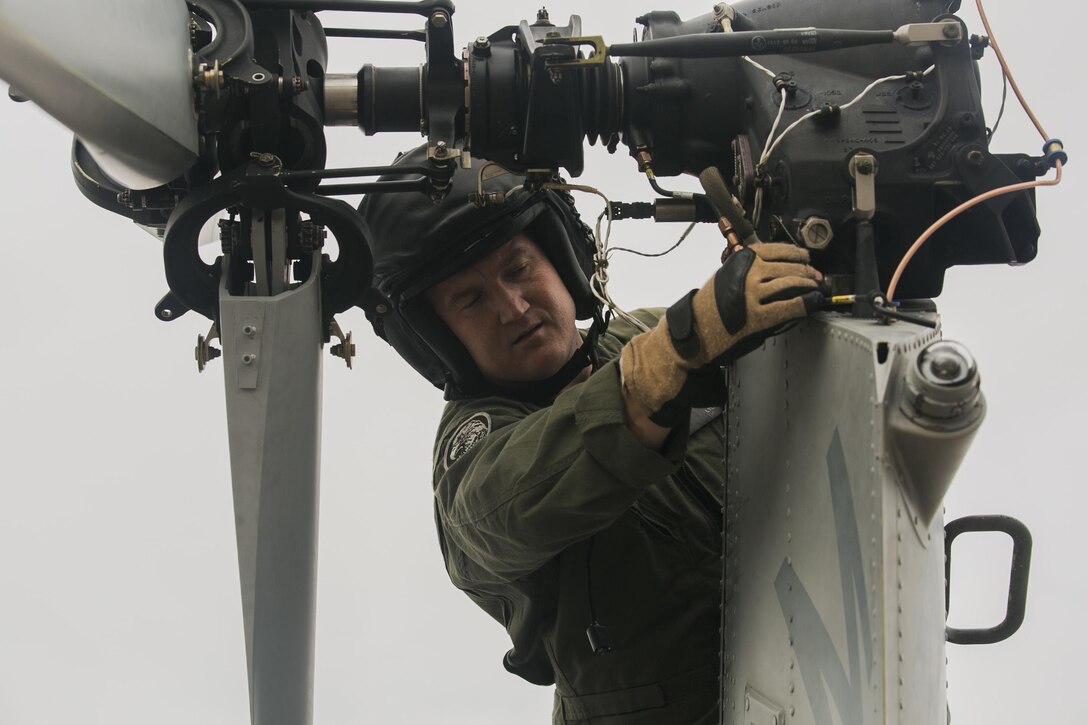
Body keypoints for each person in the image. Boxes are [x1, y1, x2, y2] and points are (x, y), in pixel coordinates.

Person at [359, 146, 822, 724]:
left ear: (562, 261)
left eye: (518, 267)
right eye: (470, 299)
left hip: (821, 679)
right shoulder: (471, 452)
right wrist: (666, 364)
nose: (513, 306)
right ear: (439, 338)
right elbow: (506, 506)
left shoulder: (649, 331)